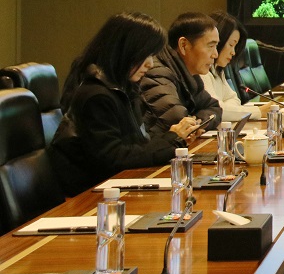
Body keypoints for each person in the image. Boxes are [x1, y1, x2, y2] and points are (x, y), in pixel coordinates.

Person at [48, 12, 202, 196]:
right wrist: (172, 139)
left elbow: (136, 145)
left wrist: (172, 138)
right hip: (91, 198)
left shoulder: (124, 88)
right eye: (146, 55)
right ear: (126, 51)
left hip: (116, 188)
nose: (150, 64)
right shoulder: (96, 95)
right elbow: (115, 158)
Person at [140, 12, 223, 132]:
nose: (215, 54)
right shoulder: (157, 72)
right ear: (184, 45)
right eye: (210, 46)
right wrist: (195, 124)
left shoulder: (187, 73)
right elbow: (177, 120)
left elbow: (214, 108)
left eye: (216, 46)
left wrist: (199, 122)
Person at [200, 10, 276, 121]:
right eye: (231, 45)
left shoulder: (217, 70)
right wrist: (258, 111)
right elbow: (217, 110)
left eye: (235, 46)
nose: (233, 52)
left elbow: (234, 99)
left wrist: (228, 109)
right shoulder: (202, 71)